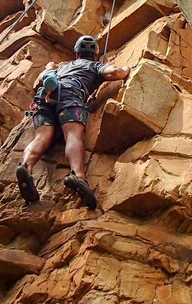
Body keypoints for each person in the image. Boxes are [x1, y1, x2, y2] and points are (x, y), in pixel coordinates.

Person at [17, 35, 130, 208]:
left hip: (43, 98)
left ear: (76, 54)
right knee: (73, 134)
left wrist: (49, 67)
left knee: (41, 136)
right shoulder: (94, 65)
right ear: (95, 55)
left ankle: (26, 167)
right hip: (70, 96)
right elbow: (115, 73)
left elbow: (37, 83)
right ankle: (78, 175)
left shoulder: (60, 68)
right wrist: (126, 68)